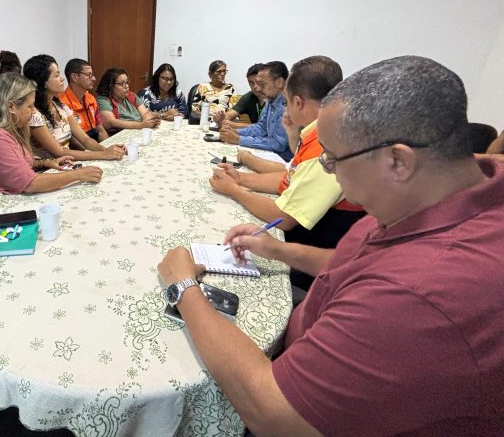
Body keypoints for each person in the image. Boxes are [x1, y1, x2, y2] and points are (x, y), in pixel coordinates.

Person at [158, 56, 504, 436]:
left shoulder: (419, 293)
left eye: (334, 158)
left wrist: (183, 287)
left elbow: (271, 412)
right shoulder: (451, 187)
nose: (329, 170)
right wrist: (277, 250)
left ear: (397, 161)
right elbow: (357, 260)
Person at [210, 56, 364, 290]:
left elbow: (285, 217)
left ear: (298, 102)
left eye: (286, 101)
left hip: (313, 265)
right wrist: (240, 178)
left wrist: (234, 190)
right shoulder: (319, 131)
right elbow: (290, 177)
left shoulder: (328, 144)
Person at [0, 73, 103, 206]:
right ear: (11, 107)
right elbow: (30, 184)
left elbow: (15, 162)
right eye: (30, 106)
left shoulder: (11, 129)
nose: (34, 111)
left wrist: (45, 162)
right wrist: (78, 175)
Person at [22, 55, 125, 161]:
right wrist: (103, 155)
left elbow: (85, 139)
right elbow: (59, 152)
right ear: (43, 82)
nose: (62, 78)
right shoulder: (34, 114)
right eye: (56, 75)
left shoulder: (61, 107)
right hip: (48, 167)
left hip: (67, 162)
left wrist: (107, 150)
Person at [219, 61, 292, 161]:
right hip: (269, 154)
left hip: (284, 161)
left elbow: (278, 144)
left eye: (262, 84)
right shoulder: (270, 99)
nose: (258, 88)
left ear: (279, 82)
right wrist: (235, 132)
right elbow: (261, 128)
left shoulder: (289, 105)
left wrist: (239, 139)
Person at [58, 58, 111, 142]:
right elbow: (71, 140)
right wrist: (96, 149)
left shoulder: (91, 99)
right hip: (77, 147)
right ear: (75, 77)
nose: (94, 78)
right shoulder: (61, 103)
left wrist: (108, 146)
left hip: (93, 143)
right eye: (89, 75)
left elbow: (100, 129)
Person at [96, 68, 161, 133]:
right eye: (122, 83)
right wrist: (141, 125)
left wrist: (150, 122)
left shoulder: (131, 95)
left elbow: (145, 113)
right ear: (110, 86)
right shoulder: (103, 100)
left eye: (127, 82)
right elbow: (110, 122)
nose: (126, 86)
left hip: (139, 131)